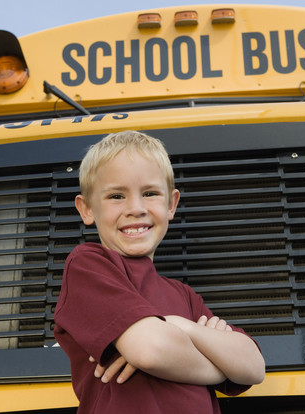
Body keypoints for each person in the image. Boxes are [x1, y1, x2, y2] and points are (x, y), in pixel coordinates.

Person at [54, 130, 265, 414]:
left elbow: (253, 367)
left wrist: (180, 325)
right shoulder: (88, 266)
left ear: (171, 204)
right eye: (116, 196)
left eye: (150, 193)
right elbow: (151, 350)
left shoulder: (184, 295)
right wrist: (219, 368)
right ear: (87, 209)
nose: (136, 208)